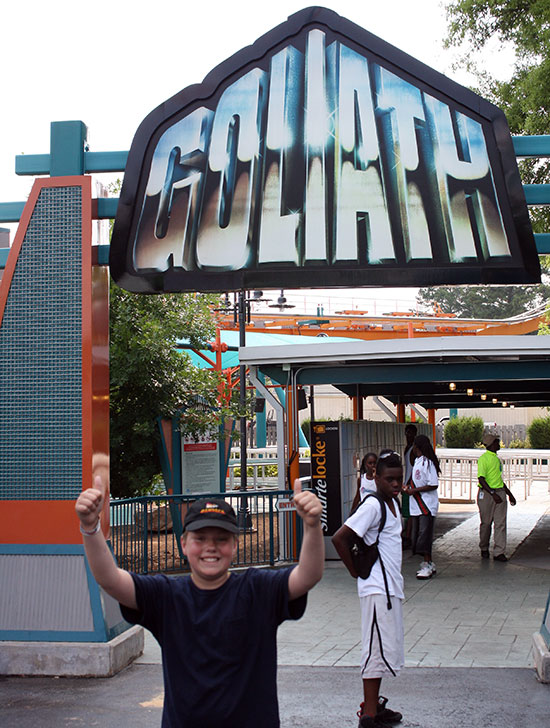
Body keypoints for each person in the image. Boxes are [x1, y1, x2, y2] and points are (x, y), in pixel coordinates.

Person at [75, 477, 324, 728]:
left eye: (221, 539)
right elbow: (110, 580)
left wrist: (312, 526)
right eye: (200, 538)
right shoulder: (166, 595)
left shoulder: (257, 589)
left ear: (236, 545)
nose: (210, 547)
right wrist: (90, 527)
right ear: (184, 544)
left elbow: (307, 576)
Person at [331, 452, 404, 728]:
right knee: (374, 649)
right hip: (376, 589)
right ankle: (368, 715)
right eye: (389, 479)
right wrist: (355, 572)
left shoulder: (392, 504)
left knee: (384, 647)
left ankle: (374, 706)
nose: (395, 484)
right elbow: (340, 538)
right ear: (376, 478)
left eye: (398, 478)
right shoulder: (373, 505)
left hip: (389, 588)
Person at [403, 434, 440, 580]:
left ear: (416, 447)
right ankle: (428, 562)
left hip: (426, 505)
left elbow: (433, 484)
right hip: (416, 505)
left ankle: (426, 563)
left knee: (425, 535)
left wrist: (415, 491)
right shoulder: (418, 461)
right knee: (418, 534)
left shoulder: (428, 463)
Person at [477, 431, 516, 561]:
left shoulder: (497, 459)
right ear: (491, 445)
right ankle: (484, 547)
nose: (498, 444)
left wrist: (509, 494)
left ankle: (499, 552)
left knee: (500, 523)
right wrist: (493, 494)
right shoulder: (484, 459)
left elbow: (498, 479)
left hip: (499, 492)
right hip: (488, 494)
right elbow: (481, 479)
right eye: (496, 442)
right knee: (486, 523)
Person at [401, 424, 417, 549]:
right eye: (407, 433)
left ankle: (408, 536)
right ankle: (408, 534)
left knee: (410, 513)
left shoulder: (412, 450)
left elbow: (413, 470)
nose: (408, 436)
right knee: (407, 512)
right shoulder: (408, 448)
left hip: (409, 484)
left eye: (411, 433)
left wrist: (409, 485)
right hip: (407, 483)